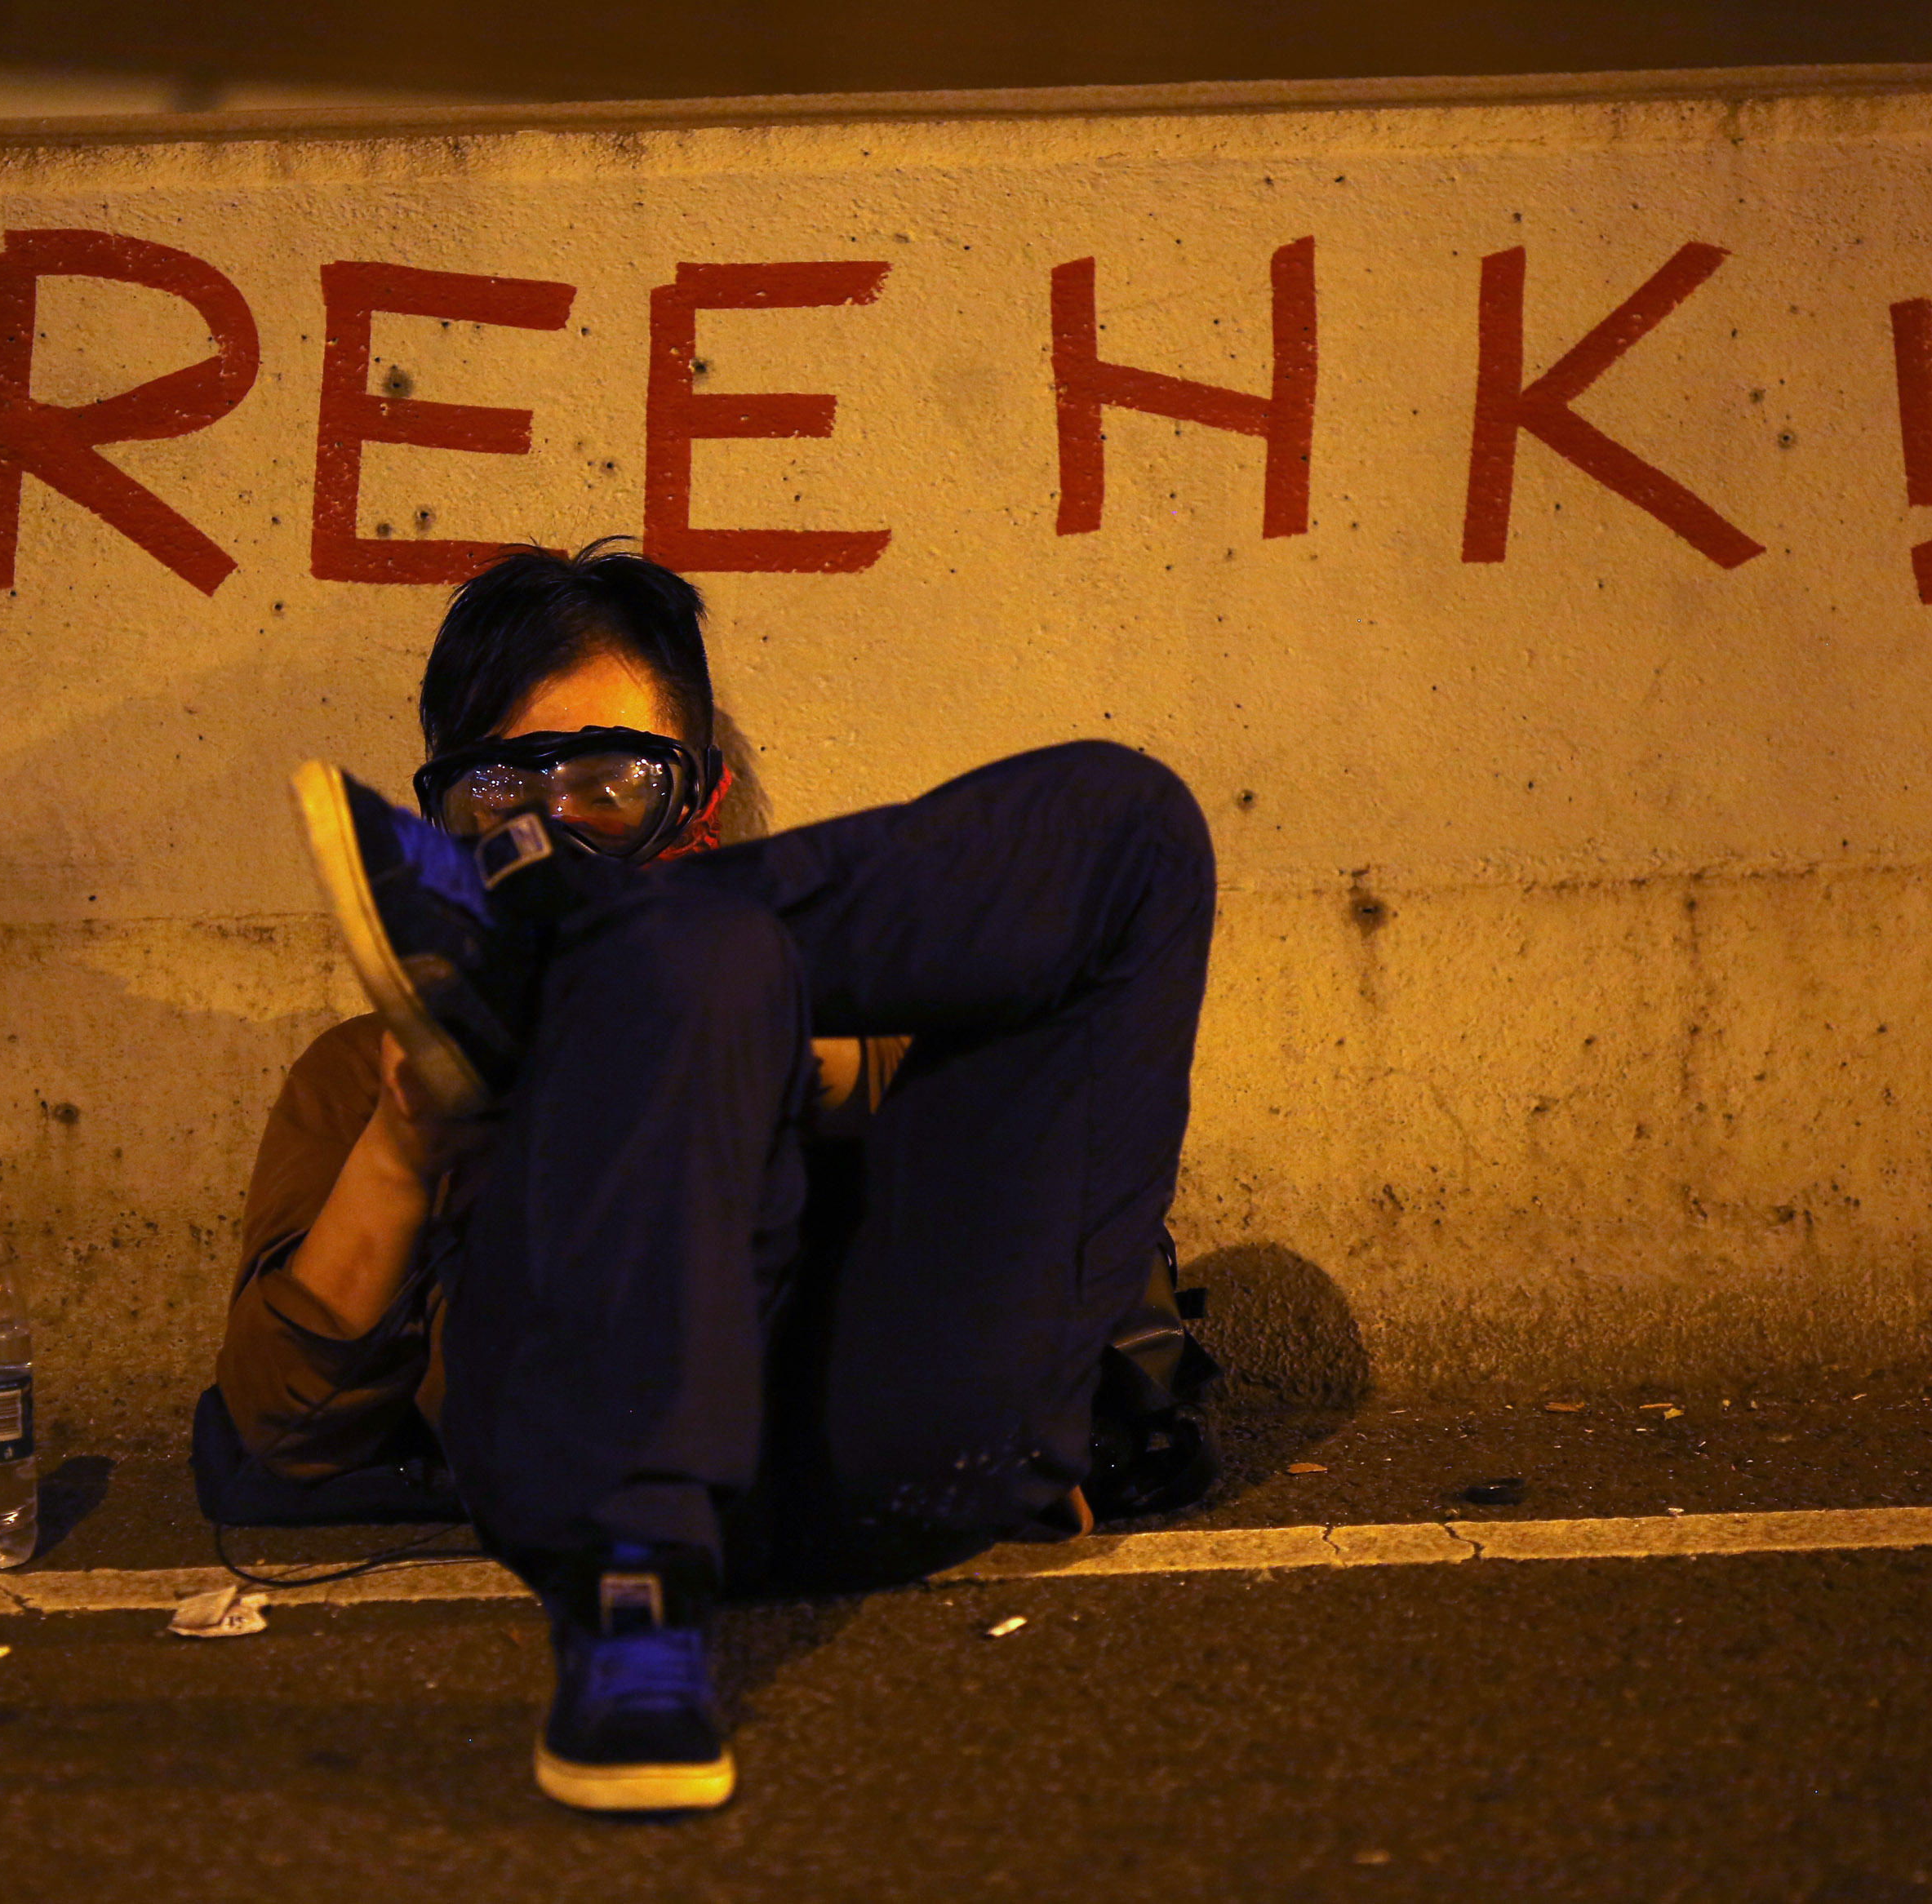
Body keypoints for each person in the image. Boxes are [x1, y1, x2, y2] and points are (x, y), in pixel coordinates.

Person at [198, 539, 1216, 1813]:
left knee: (1132, 827)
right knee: (695, 963)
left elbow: (1013, 1171)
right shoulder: (382, 1059)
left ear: (704, 802)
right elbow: (274, 1443)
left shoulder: (837, 981)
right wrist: (410, 1150)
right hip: (585, 1489)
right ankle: (638, 1612)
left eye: (608, 783)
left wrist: (721, 1019)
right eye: (506, 799)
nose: (559, 827)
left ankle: (601, 956)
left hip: (898, 1448)